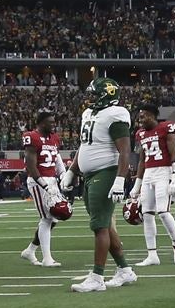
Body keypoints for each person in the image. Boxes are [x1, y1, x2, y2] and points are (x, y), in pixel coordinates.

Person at [59, 77, 138, 293]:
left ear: (106, 95)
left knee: (100, 227)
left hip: (106, 173)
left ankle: (97, 277)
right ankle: (124, 270)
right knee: (104, 225)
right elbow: (85, 145)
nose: (90, 97)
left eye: (94, 93)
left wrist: (120, 179)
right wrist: (72, 170)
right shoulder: (89, 113)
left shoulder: (117, 114)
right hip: (90, 175)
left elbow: (124, 150)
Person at [128, 104, 175, 266]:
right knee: (147, 214)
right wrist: (136, 185)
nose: (141, 119)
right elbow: (141, 161)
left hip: (164, 171)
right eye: (140, 116)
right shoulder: (141, 134)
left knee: (163, 212)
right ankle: (152, 254)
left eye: (144, 116)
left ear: (153, 116)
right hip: (148, 174)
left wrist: (174, 178)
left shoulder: (166, 127)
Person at [19, 109, 65, 268]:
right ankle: (47, 259)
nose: (54, 125)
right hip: (38, 181)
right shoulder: (32, 137)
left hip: (52, 180)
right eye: (50, 122)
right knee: (46, 219)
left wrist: (64, 176)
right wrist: (44, 185)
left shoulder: (54, 138)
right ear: (40, 123)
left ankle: (30, 250)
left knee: (57, 216)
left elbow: (57, 159)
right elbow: (31, 167)